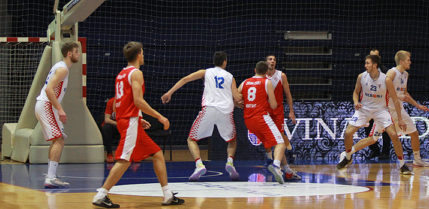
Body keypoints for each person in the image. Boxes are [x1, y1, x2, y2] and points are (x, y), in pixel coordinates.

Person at [92, 42, 183, 208]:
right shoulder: (136, 74)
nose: (143, 55)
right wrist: (160, 117)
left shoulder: (121, 74)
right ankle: (101, 194)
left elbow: (119, 103)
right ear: (139, 54)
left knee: (157, 153)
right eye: (143, 52)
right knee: (124, 160)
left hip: (127, 120)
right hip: (128, 123)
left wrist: (138, 118)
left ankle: (167, 194)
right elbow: (138, 101)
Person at [161, 51, 242, 180]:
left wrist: (169, 93)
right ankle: (230, 162)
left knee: (191, 139)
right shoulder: (230, 76)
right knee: (232, 141)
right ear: (225, 62)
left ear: (214, 61)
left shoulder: (205, 72)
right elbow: (237, 97)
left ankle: (199, 165)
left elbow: (185, 79)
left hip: (209, 109)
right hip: (226, 111)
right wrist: (242, 102)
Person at [336, 54, 412, 175]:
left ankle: (402, 165)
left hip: (381, 110)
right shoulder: (361, 76)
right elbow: (356, 92)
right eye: (365, 63)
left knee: (393, 135)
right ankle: (348, 157)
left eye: (368, 63)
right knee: (348, 133)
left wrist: (401, 119)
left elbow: (395, 100)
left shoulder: (386, 79)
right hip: (364, 109)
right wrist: (356, 102)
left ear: (375, 65)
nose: (365, 65)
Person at [34, 40, 80, 188]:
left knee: (57, 140)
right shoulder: (63, 69)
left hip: (46, 106)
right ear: (69, 53)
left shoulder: (60, 66)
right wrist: (60, 109)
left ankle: (51, 176)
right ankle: (51, 178)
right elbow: (49, 90)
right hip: (47, 105)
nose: (78, 54)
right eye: (76, 51)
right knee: (59, 140)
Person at [239, 61, 286, 184]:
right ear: (266, 73)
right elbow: (274, 104)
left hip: (248, 120)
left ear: (255, 70)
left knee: (267, 141)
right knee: (280, 143)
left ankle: (269, 160)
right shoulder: (266, 82)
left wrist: (240, 104)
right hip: (261, 117)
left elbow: (236, 97)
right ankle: (276, 166)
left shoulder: (245, 82)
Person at [264, 54, 300, 180]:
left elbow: (288, 94)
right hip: (265, 111)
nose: (272, 61)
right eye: (270, 59)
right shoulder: (262, 76)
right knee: (268, 137)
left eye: (274, 59)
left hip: (277, 112)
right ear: (266, 62)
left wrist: (291, 111)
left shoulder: (281, 75)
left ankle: (279, 166)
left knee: (279, 139)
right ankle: (272, 161)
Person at [364, 49, 391, 160]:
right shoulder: (364, 74)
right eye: (371, 56)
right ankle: (374, 150)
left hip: (383, 105)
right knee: (367, 128)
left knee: (386, 130)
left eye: (375, 56)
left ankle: (385, 152)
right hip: (369, 106)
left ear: (379, 58)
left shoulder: (386, 72)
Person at [100, 97, 119, 163]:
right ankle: (109, 153)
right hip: (115, 126)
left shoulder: (130, 102)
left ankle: (134, 153)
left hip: (125, 126)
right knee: (106, 127)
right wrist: (118, 123)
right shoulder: (111, 101)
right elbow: (107, 119)